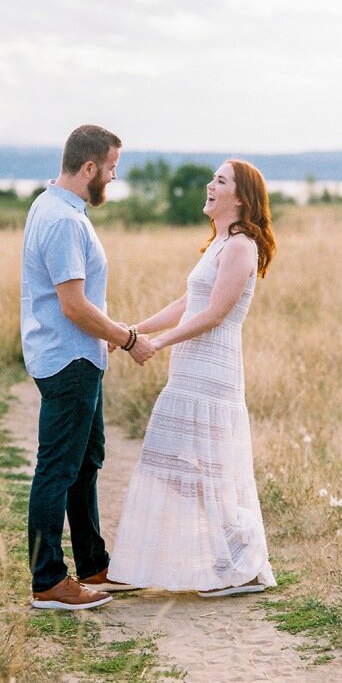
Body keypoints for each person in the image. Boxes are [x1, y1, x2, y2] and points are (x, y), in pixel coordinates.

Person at [106, 159, 278, 597]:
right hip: (191, 369)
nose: (209, 185)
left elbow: (215, 314)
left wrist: (157, 345)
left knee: (208, 465)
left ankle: (241, 566)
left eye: (220, 181)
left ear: (240, 198)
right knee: (178, 462)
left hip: (213, 371)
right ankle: (200, 560)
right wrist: (132, 332)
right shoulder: (220, 243)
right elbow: (186, 304)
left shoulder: (242, 245)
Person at [23, 124, 156, 611]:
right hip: (69, 358)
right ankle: (49, 581)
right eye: (112, 168)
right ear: (89, 168)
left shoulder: (54, 207)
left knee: (85, 463)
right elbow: (74, 307)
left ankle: (94, 565)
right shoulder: (63, 221)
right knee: (57, 468)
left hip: (78, 356)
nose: (114, 178)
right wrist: (128, 338)